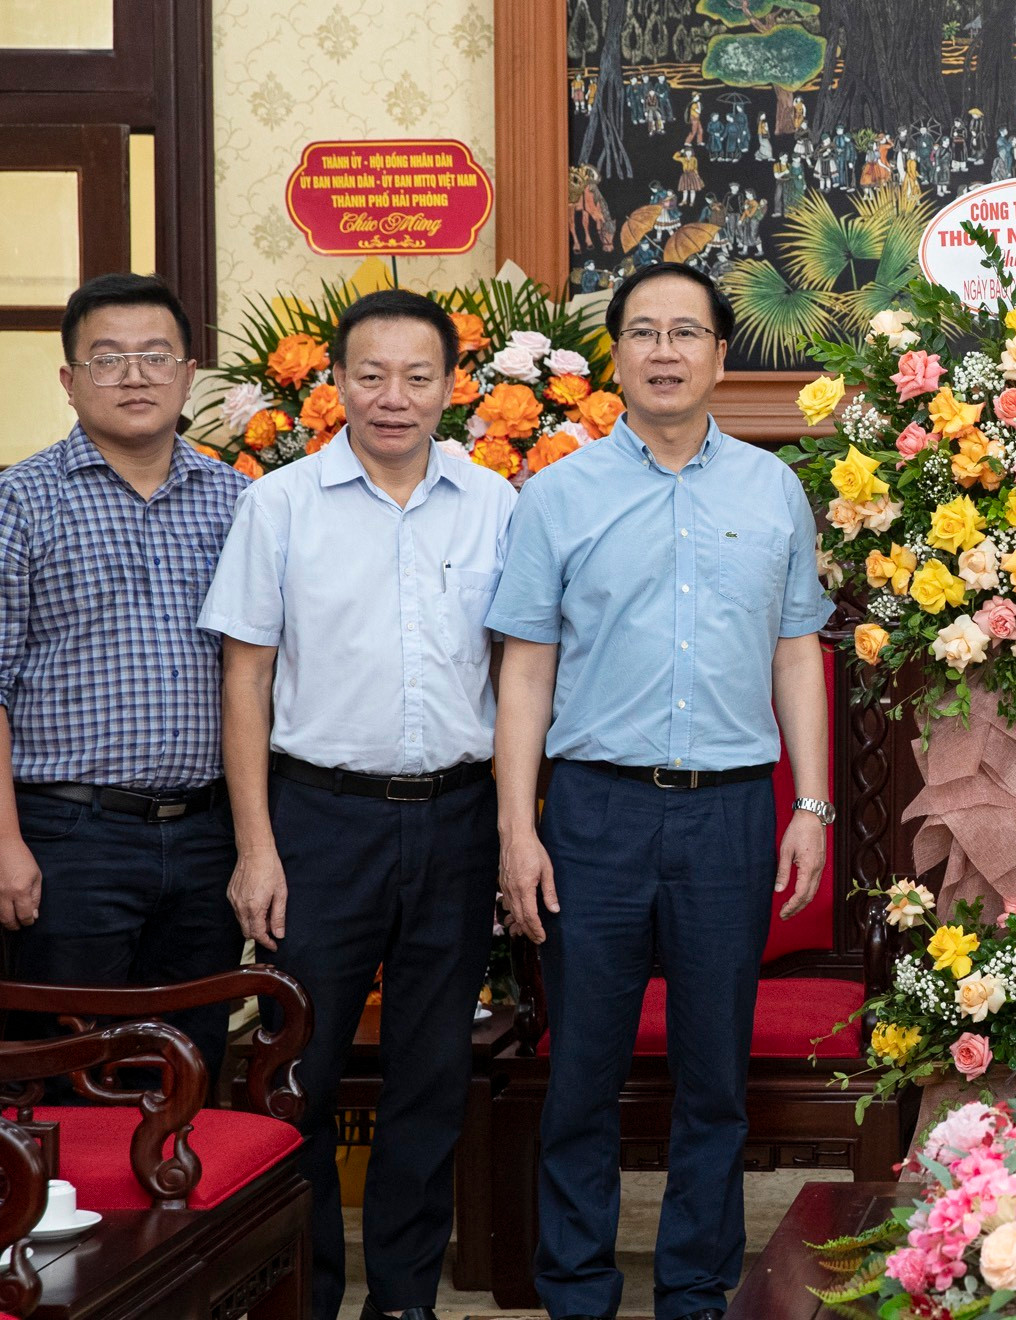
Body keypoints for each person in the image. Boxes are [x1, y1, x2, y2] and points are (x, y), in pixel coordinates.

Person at [488, 263, 833, 1320]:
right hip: (593, 812)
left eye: (688, 332)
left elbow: (794, 656)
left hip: (730, 810)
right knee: (582, 1071)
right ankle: (577, 1294)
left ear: (722, 357)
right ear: (618, 356)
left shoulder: (773, 490)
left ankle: (694, 1292)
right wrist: (517, 829)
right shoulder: (556, 495)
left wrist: (810, 805)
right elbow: (527, 671)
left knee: (713, 1081)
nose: (666, 351)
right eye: (644, 332)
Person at [201, 290, 516, 1320]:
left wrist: (518, 829)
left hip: (459, 822)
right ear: (335, 382)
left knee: (429, 1079)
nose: (393, 397)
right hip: (319, 822)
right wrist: (257, 847)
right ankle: (307, 1295)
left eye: (417, 376)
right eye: (371, 375)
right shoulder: (279, 504)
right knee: (304, 1074)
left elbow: (521, 674)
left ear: (452, 387)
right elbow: (244, 680)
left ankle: (405, 1303)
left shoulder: (495, 504)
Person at [0, 274, 246, 1082]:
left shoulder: (241, 501)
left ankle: (181, 1212)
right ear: (69, 380)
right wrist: (5, 843)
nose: (134, 376)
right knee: (64, 1075)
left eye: (154, 356)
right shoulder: (19, 503)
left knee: (189, 1069)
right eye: (107, 360)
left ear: (189, 373)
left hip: (209, 838)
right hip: (68, 839)